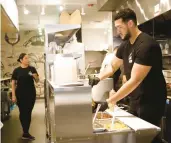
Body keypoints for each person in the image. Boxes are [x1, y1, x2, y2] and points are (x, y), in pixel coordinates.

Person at [89, 8, 166, 143]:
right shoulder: (125, 45)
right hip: (136, 98)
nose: (118, 31)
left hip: (151, 101)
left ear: (130, 23)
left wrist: (110, 101)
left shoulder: (146, 45)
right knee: (140, 136)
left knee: (146, 136)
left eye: (120, 27)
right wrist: (97, 78)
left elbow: (135, 80)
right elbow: (112, 66)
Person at [11, 53, 39, 140]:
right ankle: (25, 132)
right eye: (26, 58)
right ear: (21, 60)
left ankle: (25, 132)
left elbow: (37, 81)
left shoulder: (32, 69)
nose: (28, 60)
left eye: (28, 58)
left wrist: (35, 76)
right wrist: (13, 95)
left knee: (28, 112)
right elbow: (13, 84)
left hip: (31, 94)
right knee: (23, 112)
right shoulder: (16, 70)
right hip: (20, 94)